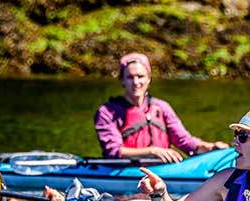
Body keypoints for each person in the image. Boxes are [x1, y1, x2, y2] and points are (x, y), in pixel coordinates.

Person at [94, 52, 229, 163]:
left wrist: (210, 147)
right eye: (130, 77)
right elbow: (114, 151)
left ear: (149, 79)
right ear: (122, 80)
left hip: (162, 170)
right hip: (126, 171)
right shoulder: (107, 112)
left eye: (140, 77)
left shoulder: (161, 107)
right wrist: (152, 151)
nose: (136, 82)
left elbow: (185, 142)